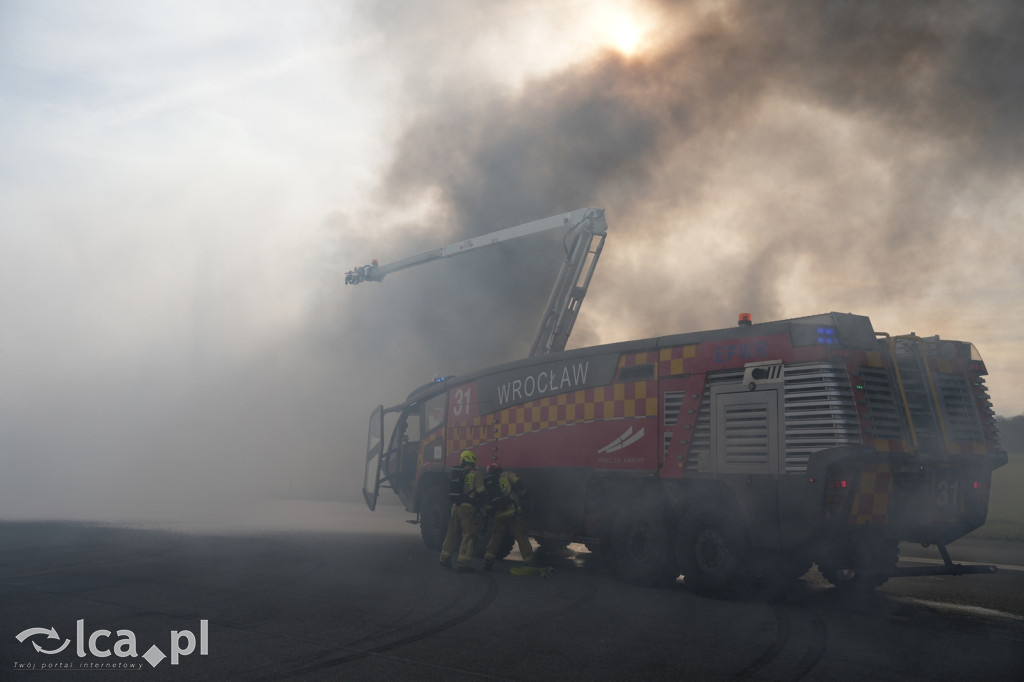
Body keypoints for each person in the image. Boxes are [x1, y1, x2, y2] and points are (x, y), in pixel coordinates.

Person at [439, 450, 486, 572]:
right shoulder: (476, 474)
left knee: (452, 533)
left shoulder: (457, 473)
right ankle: (463, 563)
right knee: (468, 534)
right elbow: (481, 492)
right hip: (468, 508)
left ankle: (444, 558)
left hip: (455, 506)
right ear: (472, 461)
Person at [483, 462, 534, 571]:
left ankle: (488, 560)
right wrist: (524, 496)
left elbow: (487, 504)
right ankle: (528, 561)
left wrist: (495, 514)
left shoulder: (488, 484)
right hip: (514, 513)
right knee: (521, 537)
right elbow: (519, 483)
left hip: (500, 515)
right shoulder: (507, 475)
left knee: (496, 537)